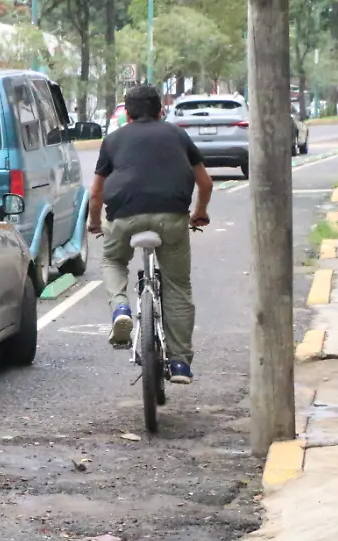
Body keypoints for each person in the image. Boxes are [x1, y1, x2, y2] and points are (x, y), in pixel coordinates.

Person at [87, 84, 213, 385]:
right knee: (178, 287)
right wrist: (200, 213)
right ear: (161, 110)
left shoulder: (113, 140)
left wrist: (95, 222)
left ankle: (120, 307)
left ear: (127, 115)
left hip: (124, 216)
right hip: (172, 217)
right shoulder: (178, 135)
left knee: (113, 261)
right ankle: (180, 363)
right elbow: (205, 183)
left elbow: (96, 193)